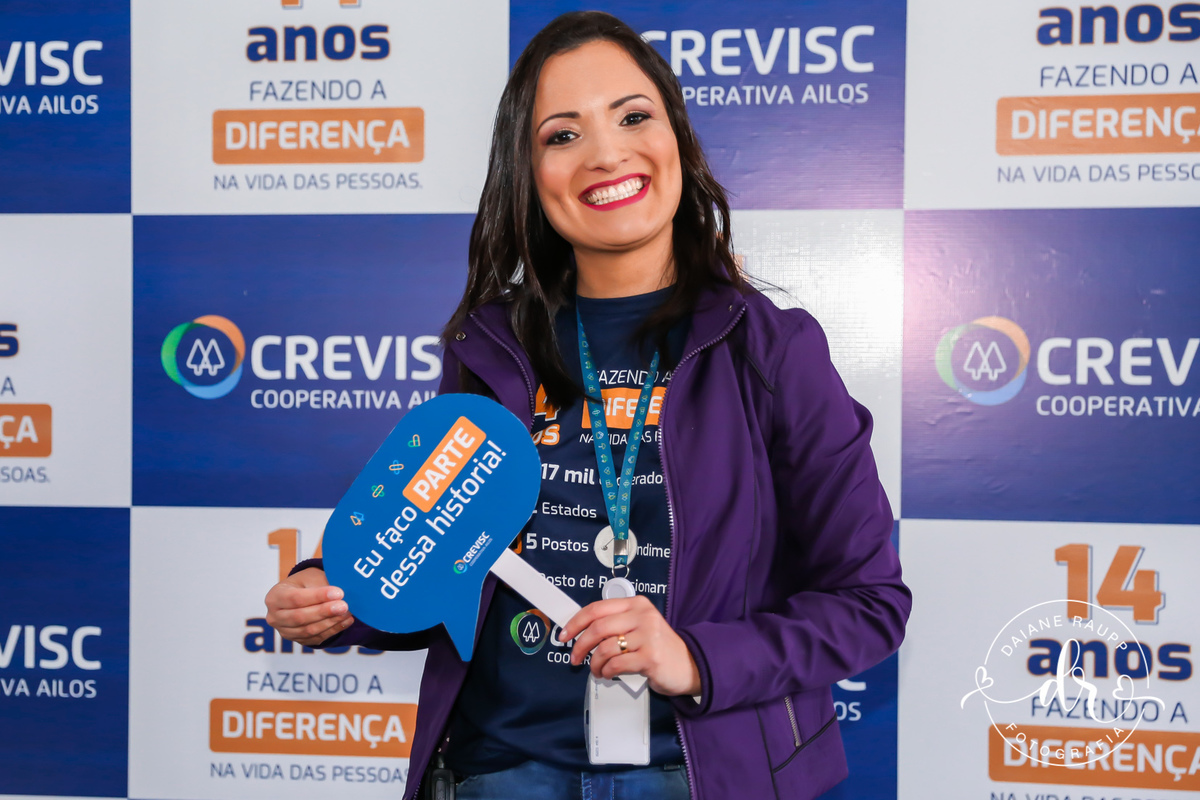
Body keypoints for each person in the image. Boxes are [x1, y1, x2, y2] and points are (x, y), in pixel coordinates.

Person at [264, 11, 910, 800]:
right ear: (527, 172)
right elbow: (449, 563)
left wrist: (696, 659)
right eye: (562, 135)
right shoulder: (492, 347)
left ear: (677, 137)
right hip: (500, 772)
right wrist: (340, 600)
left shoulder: (773, 350)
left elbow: (869, 604)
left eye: (633, 117)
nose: (606, 154)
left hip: (700, 774)